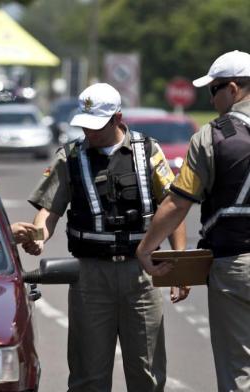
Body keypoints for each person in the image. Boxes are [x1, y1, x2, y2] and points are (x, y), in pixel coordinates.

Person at [22, 83, 188, 392]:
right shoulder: (70, 156)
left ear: (118, 118)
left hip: (141, 276)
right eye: (84, 125)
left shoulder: (148, 151)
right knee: (88, 375)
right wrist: (39, 236)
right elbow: (49, 210)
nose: (89, 132)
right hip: (90, 277)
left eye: (96, 126)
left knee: (147, 373)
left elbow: (173, 207)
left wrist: (179, 265)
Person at [136, 50, 250, 392]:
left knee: (240, 370)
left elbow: (177, 203)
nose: (211, 99)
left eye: (212, 90)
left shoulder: (212, 137)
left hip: (237, 266)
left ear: (232, 89)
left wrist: (147, 248)